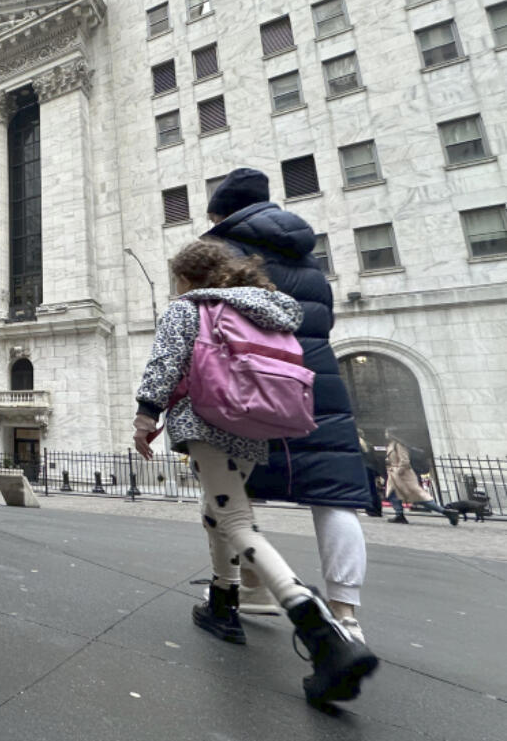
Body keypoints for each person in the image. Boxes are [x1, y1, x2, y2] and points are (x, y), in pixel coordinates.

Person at [134, 240, 378, 707]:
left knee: (236, 520)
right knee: (221, 507)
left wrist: (146, 417)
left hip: (207, 416)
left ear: (186, 278)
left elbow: (165, 363)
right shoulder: (263, 307)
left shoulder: (191, 306)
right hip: (257, 421)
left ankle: (321, 631)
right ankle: (223, 602)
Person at [202, 168, 373, 643]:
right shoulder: (307, 254)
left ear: (221, 213)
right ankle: (347, 615)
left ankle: (248, 585)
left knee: (229, 493)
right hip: (314, 378)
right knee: (334, 494)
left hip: (248, 383)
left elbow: (208, 321)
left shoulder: (224, 251)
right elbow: (326, 317)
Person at [384, 428, 459, 525]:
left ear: (391, 434)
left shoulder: (398, 445)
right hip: (395, 476)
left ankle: (446, 512)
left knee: (419, 498)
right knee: (393, 494)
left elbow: (405, 461)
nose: (385, 434)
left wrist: (398, 471)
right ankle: (399, 514)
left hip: (403, 476)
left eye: (386, 432)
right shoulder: (392, 445)